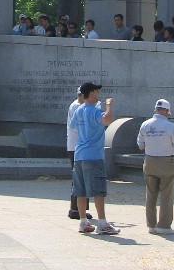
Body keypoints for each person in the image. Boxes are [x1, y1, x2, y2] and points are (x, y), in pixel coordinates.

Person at [69, 81, 120, 235]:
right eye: (97, 91)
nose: (98, 94)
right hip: (94, 155)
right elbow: (108, 120)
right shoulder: (94, 110)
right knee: (98, 190)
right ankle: (102, 223)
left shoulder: (78, 110)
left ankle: (83, 222)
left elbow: (73, 126)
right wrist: (109, 105)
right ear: (91, 93)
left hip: (79, 155)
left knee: (81, 190)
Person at [137, 98, 174, 235]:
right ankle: (164, 225)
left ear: (155, 110)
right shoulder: (170, 126)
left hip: (150, 160)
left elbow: (140, 145)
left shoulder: (145, 125)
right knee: (166, 195)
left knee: (151, 194)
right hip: (166, 161)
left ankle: (151, 225)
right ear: (166, 111)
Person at [66, 87, 92, 221]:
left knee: (80, 177)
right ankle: (76, 209)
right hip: (77, 146)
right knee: (79, 178)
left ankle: (77, 209)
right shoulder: (77, 107)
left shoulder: (77, 105)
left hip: (76, 145)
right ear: (82, 95)